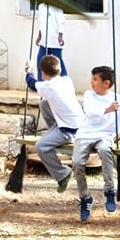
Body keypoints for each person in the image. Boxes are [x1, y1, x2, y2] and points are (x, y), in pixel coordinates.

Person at [71, 65, 120, 223]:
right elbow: (90, 112)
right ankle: (85, 198)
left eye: (95, 79)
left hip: (105, 135)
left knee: (105, 150)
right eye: (92, 79)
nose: (92, 82)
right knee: (77, 163)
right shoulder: (89, 95)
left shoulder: (117, 98)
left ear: (106, 83)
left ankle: (110, 191)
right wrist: (108, 109)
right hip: (85, 134)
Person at [25, 53, 83, 192]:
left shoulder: (48, 86)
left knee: (41, 147)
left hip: (69, 129)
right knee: (44, 103)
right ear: (59, 70)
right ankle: (54, 133)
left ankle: (63, 174)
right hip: (77, 122)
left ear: (43, 73)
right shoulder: (67, 80)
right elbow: (55, 70)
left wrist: (28, 70)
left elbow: (31, 83)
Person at [34, 0, 68, 76]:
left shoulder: (57, 6)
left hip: (54, 40)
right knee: (40, 62)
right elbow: (42, 23)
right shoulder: (41, 7)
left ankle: (65, 81)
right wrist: (39, 37)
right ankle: (41, 83)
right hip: (44, 41)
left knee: (58, 63)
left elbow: (61, 22)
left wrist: (60, 36)